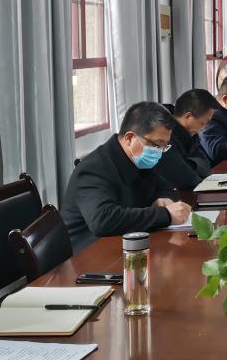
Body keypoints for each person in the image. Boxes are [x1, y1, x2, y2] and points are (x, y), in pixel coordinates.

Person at [61, 103, 192, 252]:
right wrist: (165, 215)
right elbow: (103, 220)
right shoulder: (93, 169)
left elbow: (166, 187)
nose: (159, 152)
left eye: (165, 146)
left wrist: (163, 198)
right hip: (90, 254)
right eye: (157, 144)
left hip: (128, 244)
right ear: (130, 138)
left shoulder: (139, 160)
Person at [155, 89, 220, 190]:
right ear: (188, 116)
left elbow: (206, 167)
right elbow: (184, 177)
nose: (203, 129)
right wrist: (192, 166)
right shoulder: (163, 133)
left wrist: (189, 164)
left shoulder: (192, 134)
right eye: (203, 123)